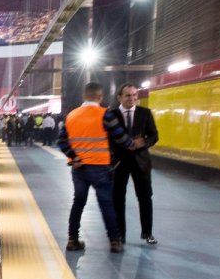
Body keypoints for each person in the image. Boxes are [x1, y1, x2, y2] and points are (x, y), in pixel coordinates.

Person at [57, 83, 134, 253]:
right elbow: (120, 137)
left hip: (78, 168)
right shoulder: (105, 114)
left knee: (78, 203)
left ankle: (72, 240)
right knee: (106, 204)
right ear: (100, 97)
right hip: (100, 167)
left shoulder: (71, 115)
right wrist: (131, 143)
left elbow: (61, 141)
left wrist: (74, 156)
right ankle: (115, 241)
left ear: (84, 96)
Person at [110, 83, 160, 245]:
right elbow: (107, 138)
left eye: (134, 95)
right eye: (128, 96)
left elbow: (154, 136)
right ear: (119, 97)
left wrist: (143, 143)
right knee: (118, 198)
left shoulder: (145, 113)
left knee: (145, 197)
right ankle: (120, 235)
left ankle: (147, 232)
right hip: (119, 163)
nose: (132, 99)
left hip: (141, 163)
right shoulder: (111, 115)